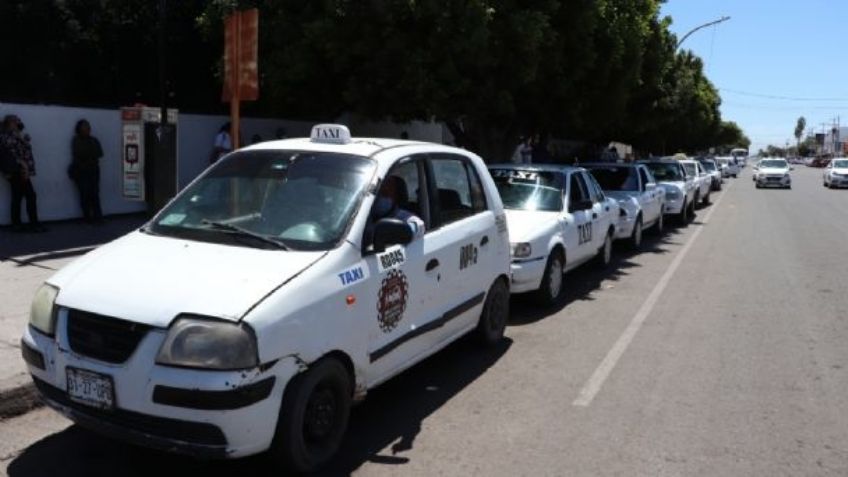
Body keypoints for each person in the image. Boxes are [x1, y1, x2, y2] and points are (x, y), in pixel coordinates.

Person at [1, 115, 45, 232]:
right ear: (8, 124)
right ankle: (31, 224)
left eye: (17, 121)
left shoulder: (17, 136)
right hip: (17, 171)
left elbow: (23, 151)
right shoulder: (7, 137)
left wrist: (23, 139)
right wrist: (24, 166)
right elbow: (11, 154)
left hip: (21, 170)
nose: (17, 123)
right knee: (28, 195)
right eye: (14, 121)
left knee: (19, 196)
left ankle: (19, 224)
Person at [70, 119, 104, 223]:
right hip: (82, 171)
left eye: (88, 126)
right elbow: (80, 153)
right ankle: (87, 218)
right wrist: (89, 155)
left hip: (93, 171)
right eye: (85, 126)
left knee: (95, 194)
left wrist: (89, 155)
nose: (88, 128)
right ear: (79, 129)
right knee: (84, 195)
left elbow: (100, 153)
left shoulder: (94, 140)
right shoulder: (76, 140)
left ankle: (98, 218)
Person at [371, 175, 425, 240]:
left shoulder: (403, 216)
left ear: (396, 195)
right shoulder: (363, 215)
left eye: (385, 194)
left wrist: (407, 229)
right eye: (379, 194)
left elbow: (419, 226)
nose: (380, 198)